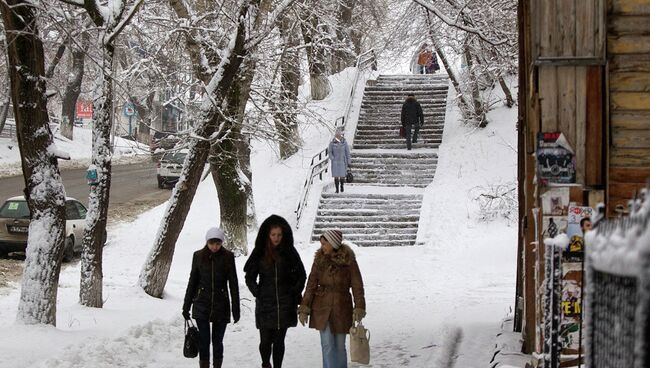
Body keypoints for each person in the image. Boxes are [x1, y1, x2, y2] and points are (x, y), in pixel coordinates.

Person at [244, 215, 307, 368]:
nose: (276, 238)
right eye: (273, 235)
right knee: (265, 341)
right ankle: (266, 364)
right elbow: (249, 276)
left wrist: (293, 292)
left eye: (279, 235)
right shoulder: (260, 252)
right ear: (268, 235)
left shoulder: (289, 252)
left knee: (279, 341)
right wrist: (257, 292)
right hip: (266, 304)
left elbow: (301, 275)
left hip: (285, 304)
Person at [299, 230, 366, 368]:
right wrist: (304, 308)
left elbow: (357, 285)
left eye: (325, 244)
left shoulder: (348, 261)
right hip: (322, 307)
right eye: (321, 243)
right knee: (327, 344)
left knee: (340, 345)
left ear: (333, 244)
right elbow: (311, 285)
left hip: (341, 307)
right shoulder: (319, 261)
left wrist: (359, 306)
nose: (322, 246)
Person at [183, 227, 240, 368]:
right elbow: (193, 282)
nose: (215, 247)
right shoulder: (198, 256)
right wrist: (186, 306)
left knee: (217, 341)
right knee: (204, 340)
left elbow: (233, 284)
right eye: (212, 243)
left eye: (218, 243)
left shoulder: (228, 257)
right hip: (202, 304)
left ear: (222, 243)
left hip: (221, 305)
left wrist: (236, 308)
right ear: (207, 242)